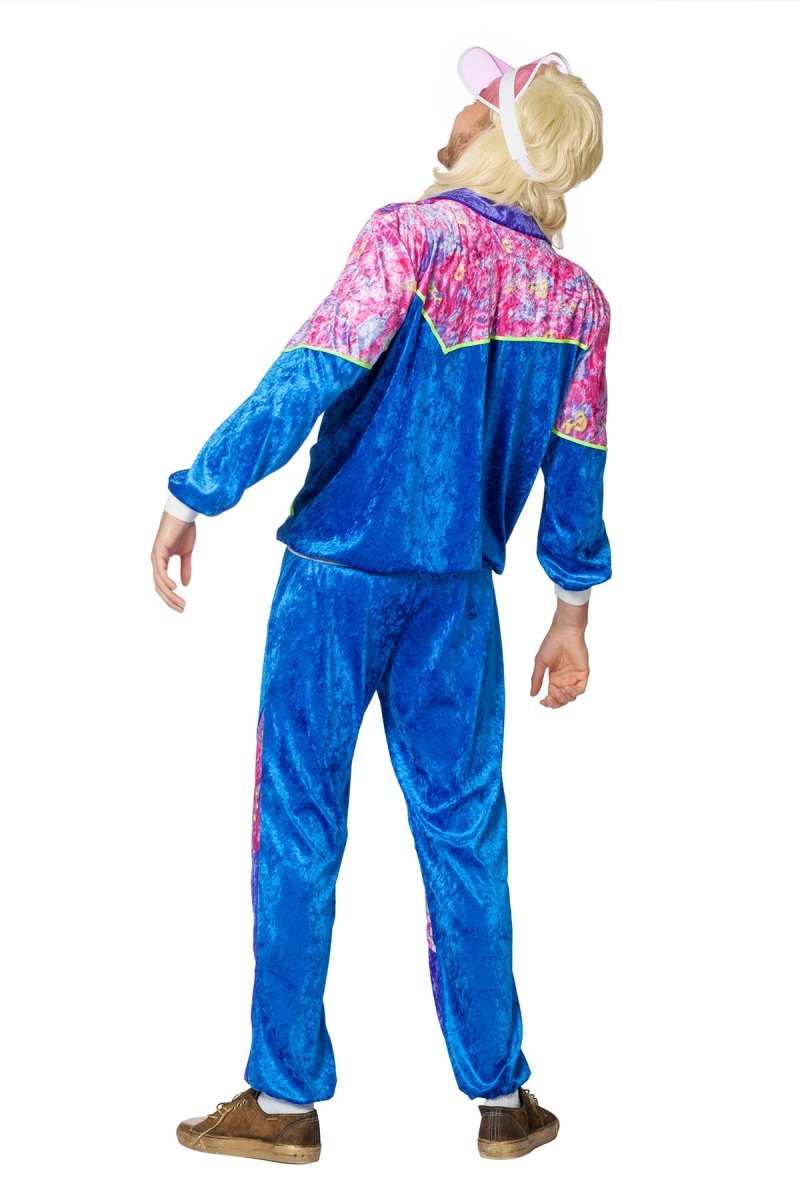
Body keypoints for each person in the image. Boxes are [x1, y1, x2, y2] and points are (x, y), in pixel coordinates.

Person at [151, 46, 611, 1165]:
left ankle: (282, 1102)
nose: (456, 116)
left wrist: (197, 488)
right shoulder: (577, 303)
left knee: (300, 821)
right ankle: (504, 1098)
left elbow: (313, 367)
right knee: (464, 830)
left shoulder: (410, 237)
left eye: (478, 104)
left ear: (496, 138)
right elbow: (579, 466)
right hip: (458, 600)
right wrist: (570, 614)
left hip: (337, 576)